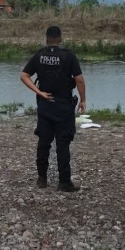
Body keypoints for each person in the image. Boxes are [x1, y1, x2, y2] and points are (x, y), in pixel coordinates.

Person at [20, 25, 86, 192]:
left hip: (45, 104)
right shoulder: (69, 56)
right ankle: (64, 182)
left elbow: (24, 75)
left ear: (46, 38)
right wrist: (83, 100)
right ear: (60, 39)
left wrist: (39, 92)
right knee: (63, 144)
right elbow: (79, 80)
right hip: (63, 106)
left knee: (44, 142)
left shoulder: (40, 55)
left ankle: (42, 179)